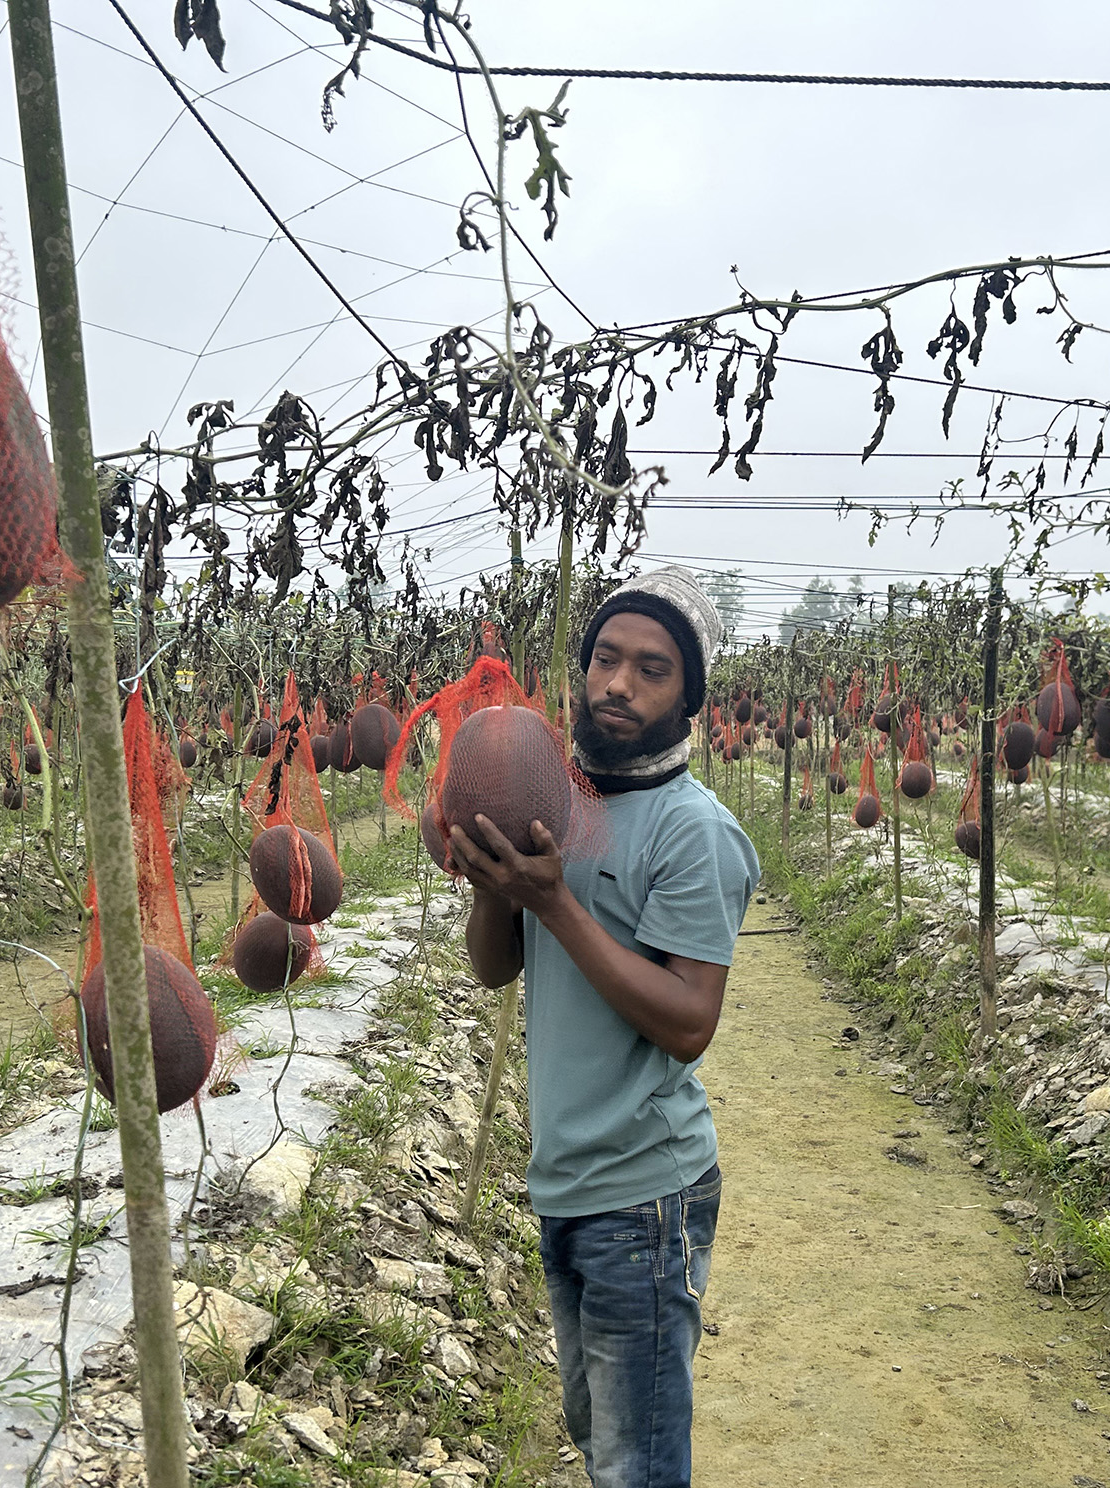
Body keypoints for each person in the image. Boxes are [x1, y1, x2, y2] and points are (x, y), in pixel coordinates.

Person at [448, 566, 759, 1488]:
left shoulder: (692, 832)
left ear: (688, 699)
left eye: (652, 669)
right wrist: (493, 889)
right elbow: (496, 966)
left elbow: (690, 1022)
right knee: (597, 1435)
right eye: (606, 660)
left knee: (638, 1461)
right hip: (564, 1181)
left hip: (644, 1196)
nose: (618, 684)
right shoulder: (558, 807)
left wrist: (554, 904)